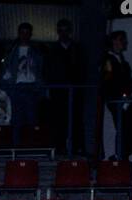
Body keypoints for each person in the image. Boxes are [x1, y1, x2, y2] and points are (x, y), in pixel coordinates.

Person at [44, 19, 86, 156]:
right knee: (58, 120)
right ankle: (59, 148)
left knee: (76, 120)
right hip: (58, 91)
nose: (63, 33)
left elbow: (82, 70)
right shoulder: (52, 50)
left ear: (70, 31)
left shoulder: (77, 49)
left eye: (66, 30)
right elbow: (48, 71)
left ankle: (75, 148)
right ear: (58, 32)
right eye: (61, 30)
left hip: (75, 91)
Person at [0, 23, 43, 137]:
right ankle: (17, 146)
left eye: (27, 33)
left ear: (30, 34)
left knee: (32, 118)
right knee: (16, 119)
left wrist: (39, 86)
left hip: (31, 87)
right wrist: (7, 86)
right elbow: (6, 69)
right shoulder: (12, 51)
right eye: (22, 32)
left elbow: (40, 69)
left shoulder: (36, 51)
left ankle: (30, 145)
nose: (25, 35)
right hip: (16, 88)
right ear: (19, 34)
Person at [101, 30, 132, 159]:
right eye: (122, 39)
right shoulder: (108, 60)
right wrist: (122, 94)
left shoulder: (122, 61)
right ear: (114, 41)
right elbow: (109, 81)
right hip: (117, 101)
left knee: (126, 129)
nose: (125, 42)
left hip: (125, 101)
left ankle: (123, 156)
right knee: (121, 129)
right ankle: (120, 157)